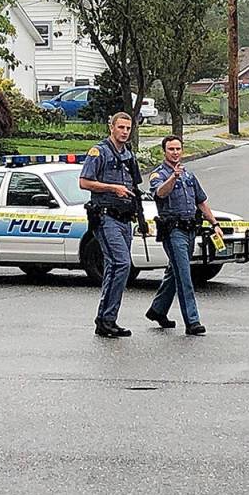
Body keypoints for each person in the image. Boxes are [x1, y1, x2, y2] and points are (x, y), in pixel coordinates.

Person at [145, 135, 223, 336]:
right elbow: (160, 193)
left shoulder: (189, 175)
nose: (175, 152)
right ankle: (192, 321)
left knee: (175, 272)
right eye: (171, 149)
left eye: (178, 148)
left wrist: (215, 223)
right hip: (173, 231)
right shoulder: (158, 175)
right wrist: (173, 177)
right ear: (164, 151)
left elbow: (201, 201)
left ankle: (158, 310)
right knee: (184, 275)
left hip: (190, 230)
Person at [79, 112, 144, 338]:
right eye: (121, 127)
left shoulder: (128, 155)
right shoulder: (100, 152)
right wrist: (112, 188)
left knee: (116, 268)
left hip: (125, 218)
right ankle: (106, 318)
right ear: (111, 128)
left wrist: (139, 213)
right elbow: (84, 182)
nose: (125, 131)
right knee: (121, 263)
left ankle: (107, 319)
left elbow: (135, 187)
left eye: (128, 128)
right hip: (106, 217)